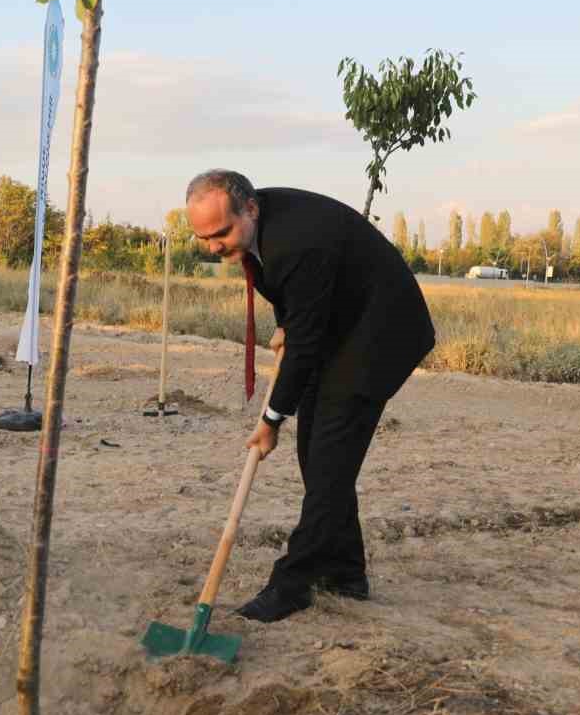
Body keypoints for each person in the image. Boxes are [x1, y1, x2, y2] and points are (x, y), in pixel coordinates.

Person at [184, 170, 435, 622]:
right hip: (341, 326)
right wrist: (289, 320)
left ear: (251, 209)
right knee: (318, 457)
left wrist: (272, 420)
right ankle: (346, 572)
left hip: (380, 335)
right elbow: (296, 298)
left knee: (328, 462)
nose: (214, 246)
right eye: (203, 237)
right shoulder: (260, 233)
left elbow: (303, 348)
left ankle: (292, 584)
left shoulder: (298, 242)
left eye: (221, 233)